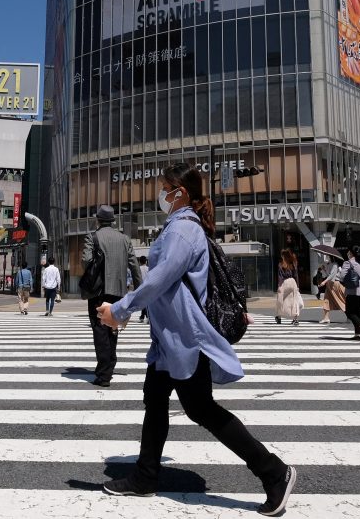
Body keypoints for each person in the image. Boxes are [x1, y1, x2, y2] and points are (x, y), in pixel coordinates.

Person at [95, 164, 296, 515]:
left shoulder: (183, 231)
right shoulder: (180, 227)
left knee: (201, 409)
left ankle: (275, 472)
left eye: (165, 188)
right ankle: (145, 476)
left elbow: (159, 279)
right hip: (169, 339)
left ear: (181, 193)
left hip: (186, 339)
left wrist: (122, 310)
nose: (160, 194)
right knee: (155, 401)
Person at [81, 204, 143, 387]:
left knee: (100, 330)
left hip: (98, 291)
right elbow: (134, 265)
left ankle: (104, 373)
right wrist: (139, 289)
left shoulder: (92, 237)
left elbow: (86, 260)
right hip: (119, 291)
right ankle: (109, 364)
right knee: (112, 329)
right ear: (113, 221)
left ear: (98, 220)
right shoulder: (124, 239)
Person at [339, 249, 360, 340]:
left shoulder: (347, 263)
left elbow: (342, 277)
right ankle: (358, 335)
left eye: (348, 252)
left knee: (349, 313)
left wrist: (344, 283)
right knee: (358, 314)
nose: (347, 254)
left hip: (353, 292)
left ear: (351, 254)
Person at [275, 249, 303, 325]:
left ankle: (279, 317)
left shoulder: (281, 264)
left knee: (280, 300)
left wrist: (279, 285)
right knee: (294, 300)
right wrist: (297, 286)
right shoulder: (293, 263)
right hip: (292, 282)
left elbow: (280, 276)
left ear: (283, 256)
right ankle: (295, 319)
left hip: (284, 282)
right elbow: (296, 275)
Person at [316, 259, 346, 324]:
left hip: (334, 284)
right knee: (326, 300)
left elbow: (332, 275)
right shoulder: (329, 265)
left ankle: (351, 315)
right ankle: (326, 318)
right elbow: (329, 275)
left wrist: (324, 281)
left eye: (328, 256)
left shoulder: (335, 264)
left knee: (341, 300)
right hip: (329, 284)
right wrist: (324, 270)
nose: (326, 258)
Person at [137, 256, 151, 323]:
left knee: (143, 303)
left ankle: (144, 317)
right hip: (148, 288)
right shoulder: (149, 269)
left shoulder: (138, 269)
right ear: (146, 261)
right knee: (146, 303)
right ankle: (144, 317)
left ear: (139, 261)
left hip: (140, 288)